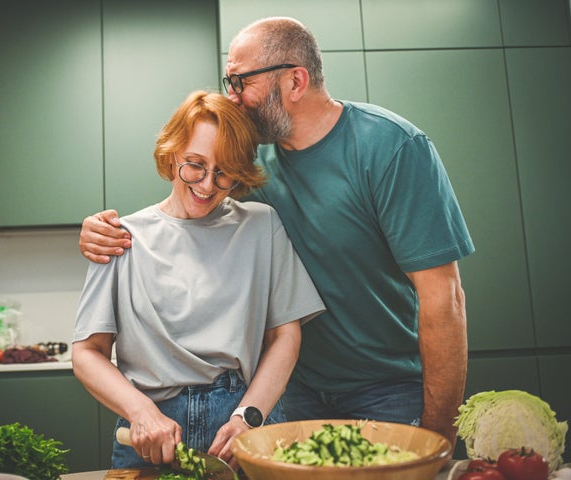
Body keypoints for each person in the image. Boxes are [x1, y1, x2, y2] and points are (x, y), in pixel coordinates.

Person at [78, 17, 474, 451]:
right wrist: (99, 231)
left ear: (295, 81)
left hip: (385, 388)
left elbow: (444, 298)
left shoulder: (391, 148)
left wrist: (439, 434)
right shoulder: (251, 157)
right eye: (228, 81)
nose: (232, 96)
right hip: (291, 394)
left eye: (240, 81)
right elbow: (188, 201)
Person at [72, 90, 325, 470]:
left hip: (241, 420)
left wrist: (249, 416)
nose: (207, 186)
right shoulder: (122, 237)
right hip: (152, 430)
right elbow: (87, 353)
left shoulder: (261, 226)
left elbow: (285, 336)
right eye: (195, 165)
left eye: (223, 172)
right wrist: (140, 410)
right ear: (172, 153)